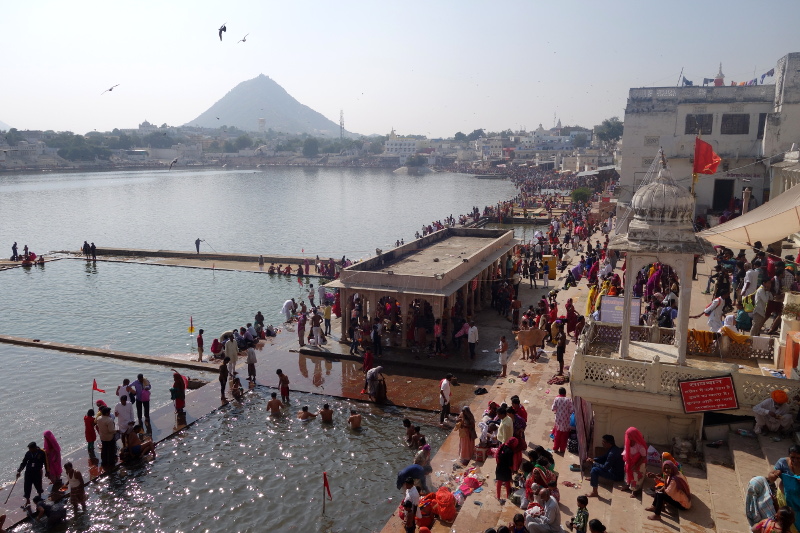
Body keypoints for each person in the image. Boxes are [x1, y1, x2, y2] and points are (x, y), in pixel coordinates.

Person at [16, 441, 47, 506]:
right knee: (27, 486)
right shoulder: (28, 453)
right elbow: (24, 463)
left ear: (35, 448)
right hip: (28, 472)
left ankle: (40, 496)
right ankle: (27, 500)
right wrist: (19, 471)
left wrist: (47, 472)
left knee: (38, 484)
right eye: (29, 449)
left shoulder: (41, 453)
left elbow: (45, 463)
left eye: (31, 448)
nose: (30, 450)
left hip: (37, 472)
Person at [623, 427, 648, 497]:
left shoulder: (640, 445)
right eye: (627, 435)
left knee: (636, 477)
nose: (628, 437)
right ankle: (628, 485)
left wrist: (636, 465)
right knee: (627, 473)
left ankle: (634, 491)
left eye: (629, 435)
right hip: (630, 461)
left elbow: (643, 456)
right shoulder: (628, 443)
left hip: (639, 462)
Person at [551, 387, 573, 454]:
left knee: (557, 435)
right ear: (565, 393)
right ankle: (562, 449)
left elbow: (553, 408)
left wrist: (558, 410)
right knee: (564, 436)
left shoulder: (557, 399)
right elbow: (571, 410)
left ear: (559, 393)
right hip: (566, 421)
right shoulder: (568, 400)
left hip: (558, 420)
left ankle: (555, 448)